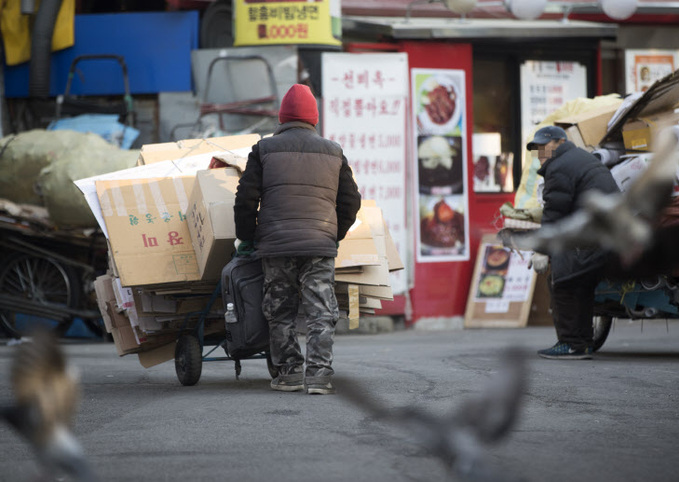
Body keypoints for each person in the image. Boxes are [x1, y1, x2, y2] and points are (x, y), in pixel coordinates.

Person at [234, 84, 361, 394]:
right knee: (321, 310)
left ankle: (289, 372)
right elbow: (351, 202)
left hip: (276, 246)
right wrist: (333, 235)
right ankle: (319, 375)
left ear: (282, 117)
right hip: (319, 245)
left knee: (280, 309)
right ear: (314, 118)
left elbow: (245, 199)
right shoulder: (333, 151)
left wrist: (248, 238)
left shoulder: (264, 149)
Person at [526, 125, 620, 360]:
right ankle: (583, 343)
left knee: (562, 281)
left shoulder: (560, 166)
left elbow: (555, 213)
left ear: (558, 142)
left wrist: (541, 251)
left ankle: (571, 343)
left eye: (543, 146)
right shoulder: (579, 158)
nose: (540, 152)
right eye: (536, 148)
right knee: (580, 283)